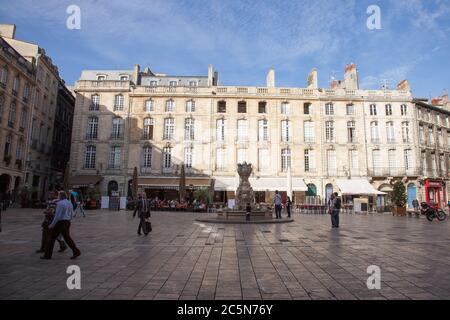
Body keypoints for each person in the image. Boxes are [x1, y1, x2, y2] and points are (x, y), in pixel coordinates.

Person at [41, 191, 81, 260]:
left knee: (51, 238)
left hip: (60, 222)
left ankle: (47, 255)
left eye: (59, 196)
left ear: (60, 196)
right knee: (67, 238)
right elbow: (72, 214)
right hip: (67, 221)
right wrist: (69, 220)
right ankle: (76, 251)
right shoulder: (69, 203)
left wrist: (52, 225)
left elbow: (57, 216)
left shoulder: (60, 203)